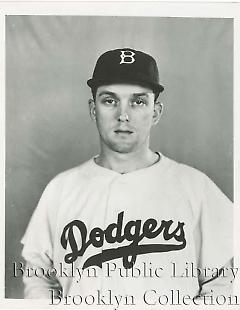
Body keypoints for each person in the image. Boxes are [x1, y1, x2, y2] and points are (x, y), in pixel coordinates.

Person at [21, 48, 233, 307]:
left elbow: (223, 284)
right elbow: (38, 278)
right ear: (93, 109)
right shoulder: (61, 189)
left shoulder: (196, 187)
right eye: (110, 100)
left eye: (138, 101)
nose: (123, 114)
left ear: (156, 112)